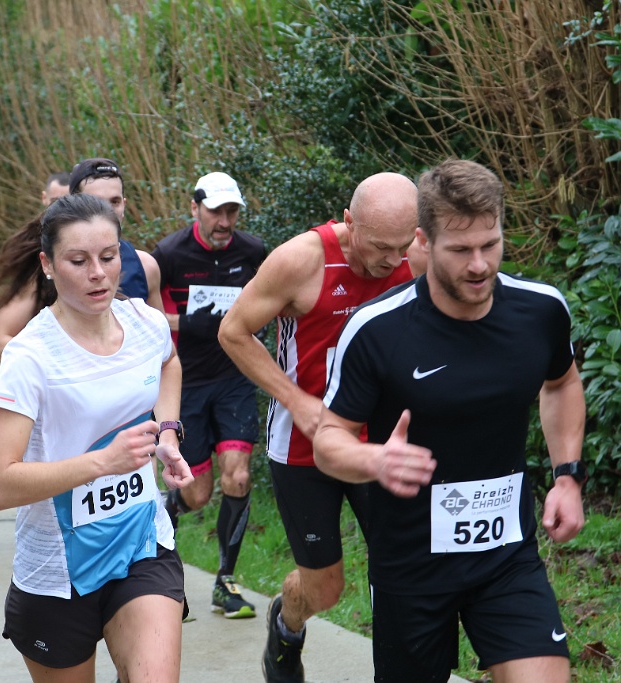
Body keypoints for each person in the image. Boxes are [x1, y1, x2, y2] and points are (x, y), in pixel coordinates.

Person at [312, 159, 585, 683]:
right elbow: (329, 441)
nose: (479, 265)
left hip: (506, 555)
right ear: (424, 242)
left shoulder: (540, 311)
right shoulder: (376, 330)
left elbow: (562, 383)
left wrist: (567, 476)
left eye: (491, 245)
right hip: (410, 564)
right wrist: (374, 459)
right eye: (460, 250)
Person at [0, 194, 193, 682]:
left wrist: (167, 433)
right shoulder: (30, 357)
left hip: (141, 544)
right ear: (48, 265)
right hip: (57, 574)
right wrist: (103, 463)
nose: (98, 273)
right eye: (78, 261)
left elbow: (169, 363)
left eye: (109, 256)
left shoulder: (145, 322)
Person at [217, 172, 418, 682]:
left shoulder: (417, 257)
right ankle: (286, 626)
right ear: (350, 222)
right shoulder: (301, 260)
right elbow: (233, 331)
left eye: (402, 245)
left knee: (402, 569)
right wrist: (297, 402)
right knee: (325, 589)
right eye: (380, 247)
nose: (393, 260)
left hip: (379, 444)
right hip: (302, 445)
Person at [152, 171, 267, 619]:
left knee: (237, 477)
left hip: (234, 377)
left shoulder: (252, 251)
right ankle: (161, 516)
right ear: (194, 208)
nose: (224, 221)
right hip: (186, 381)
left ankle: (225, 581)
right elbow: (143, 313)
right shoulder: (170, 254)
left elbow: (273, 297)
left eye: (232, 211)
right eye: (216, 211)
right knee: (197, 494)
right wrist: (189, 322)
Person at [0, 158, 163, 362]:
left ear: (124, 204)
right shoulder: (50, 268)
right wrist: (76, 361)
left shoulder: (146, 265)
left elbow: (161, 346)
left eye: (114, 201)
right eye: (95, 202)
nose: (107, 211)